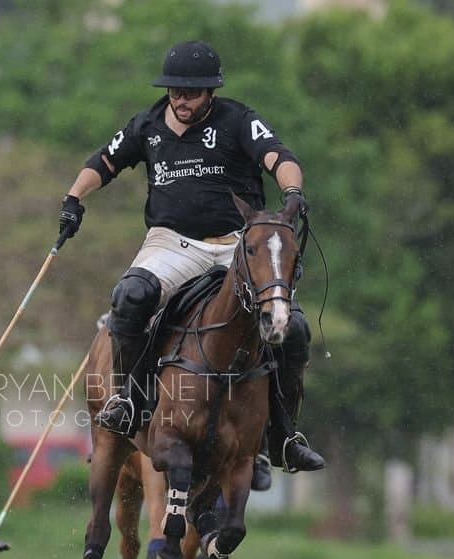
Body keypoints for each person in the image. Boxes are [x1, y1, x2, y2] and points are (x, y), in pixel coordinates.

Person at [56, 40, 324, 479]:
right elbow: (104, 161)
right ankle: (127, 401)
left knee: (292, 328)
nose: (181, 100)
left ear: (211, 93)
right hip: (172, 243)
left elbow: (280, 157)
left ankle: (284, 436)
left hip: (239, 247)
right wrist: (73, 198)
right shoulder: (147, 124)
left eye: (191, 93)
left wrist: (292, 193)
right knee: (131, 296)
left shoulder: (237, 119)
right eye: (175, 92)